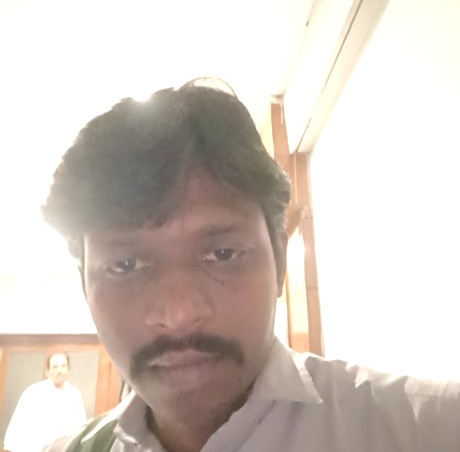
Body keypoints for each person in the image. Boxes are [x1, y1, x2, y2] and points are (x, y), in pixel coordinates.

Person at [41, 80, 460, 452]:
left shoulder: (431, 430)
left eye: (223, 254)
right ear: (84, 286)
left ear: (279, 258)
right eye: (126, 264)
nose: (179, 313)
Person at [4, 351, 87, 452]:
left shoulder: (75, 395)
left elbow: (81, 427)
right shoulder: (33, 392)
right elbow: (17, 425)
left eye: (63, 366)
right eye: (55, 367)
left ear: (68, 370)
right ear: (47, 371)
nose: (59, 371)